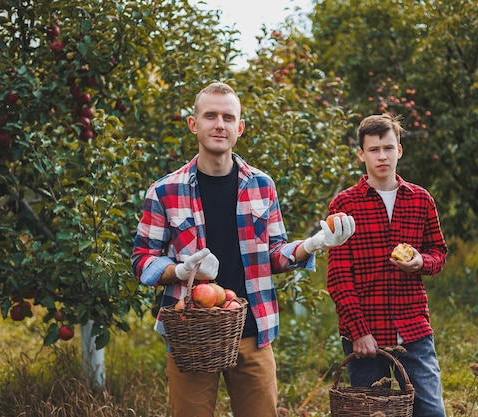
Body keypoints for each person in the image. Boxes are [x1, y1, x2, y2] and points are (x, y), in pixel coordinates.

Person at [131, 82, 355, 417]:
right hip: (192, 334)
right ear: (194, 124)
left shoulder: (263, 186)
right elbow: (141, 259)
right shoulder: (164, 191)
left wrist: (313, 244)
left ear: (240, 127)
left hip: (253, 329)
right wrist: (180, 271)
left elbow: (275, 254)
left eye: (227, 117)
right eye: (210, 116)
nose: (219, 124)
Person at [326, 113, 448, 417]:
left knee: (430, 411)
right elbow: (339, 278)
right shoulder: (344, 205)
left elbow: (439, 252)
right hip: (365, 336)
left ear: (400, 150)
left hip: (413, 329)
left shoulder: (421, 200)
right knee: (373, 414)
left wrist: (422, 261)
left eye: (388, 148)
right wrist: (358, 331)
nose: (382, 156)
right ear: (361, 154)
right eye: (374, 149)